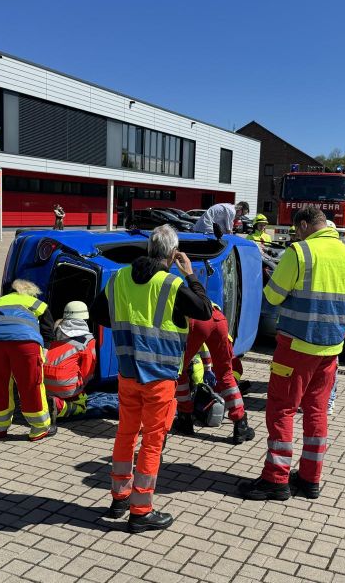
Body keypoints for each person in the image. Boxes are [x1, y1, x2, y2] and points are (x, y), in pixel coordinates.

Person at [89, 224, 212, 533]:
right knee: (152, 443)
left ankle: (119, 499)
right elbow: (204, 311)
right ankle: (141, 511)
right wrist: (190, 274)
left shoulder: (119, 278)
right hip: (159, 377)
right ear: (173, 254)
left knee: (125, 434)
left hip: (128, 373)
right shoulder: (171, 283)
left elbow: (98, 313)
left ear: (148, 250)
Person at [239, 207, 345, 502]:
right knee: (316, 412)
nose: (295, 235)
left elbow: (272, 297)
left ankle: (276, 479)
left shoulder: (299, 253)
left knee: (281, 409)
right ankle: (310, 479)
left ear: (305, 225)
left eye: (296, 230)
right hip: (331, 348)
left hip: (296, 345)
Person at [0, 279, 57, 441]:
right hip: (24, 342)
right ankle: (39, 428)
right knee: (30, 383)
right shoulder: (37, 304)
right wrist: (43, 353)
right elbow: (48, 331)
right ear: (32, 292)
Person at [173, 306, 255, 444]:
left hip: (195, 319)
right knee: (225, 374)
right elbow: (205, 340)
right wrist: (207, 367)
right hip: (218, 318)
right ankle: (241, 424)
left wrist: (207, 366)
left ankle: (184, 418)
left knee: (179, 371)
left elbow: (201, 334)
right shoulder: (201, 298)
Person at [43, 301, 95, 419]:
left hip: (44, 382)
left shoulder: (55, 330)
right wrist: (82, 385)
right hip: (65, 386)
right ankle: (59, 405)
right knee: (83, 404)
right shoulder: (88, 339)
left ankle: (47, 401)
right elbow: (87, 370)